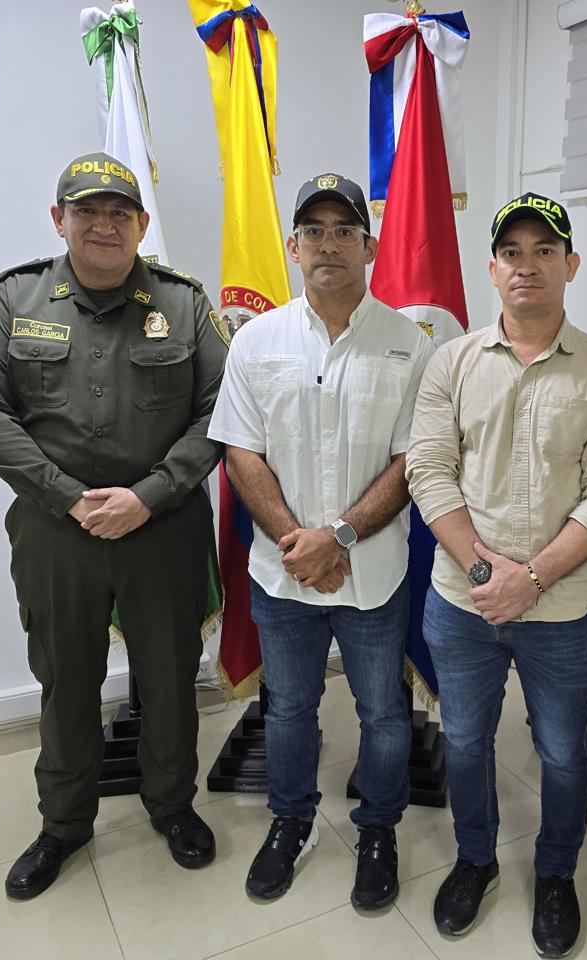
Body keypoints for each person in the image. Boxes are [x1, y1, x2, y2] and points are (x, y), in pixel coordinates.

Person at [0, 152, 228, 900]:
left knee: (170, 678)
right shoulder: (17, 298)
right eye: (87, 211)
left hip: (163, 525)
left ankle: (173, 806)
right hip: (56, 530)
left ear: (141, 224)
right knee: (65, 677)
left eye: (120, 212)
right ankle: (64, 824)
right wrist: (70, 497)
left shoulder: (183, 303)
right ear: (60, 220)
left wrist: (149, 494)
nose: (104, 224)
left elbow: (222, 410)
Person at [406, 193, 587, 958]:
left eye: (546, 250)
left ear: (570, 265)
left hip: (563, 608)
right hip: (462, 601)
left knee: (564, 751)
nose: (528, 264)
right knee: (467, 743)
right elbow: (430, 474)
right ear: (493, 268)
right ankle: (475, 860)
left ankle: (556, 874)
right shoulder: (452, 362)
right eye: (513, 251)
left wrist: (530, 578)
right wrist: (484, 568)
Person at [208, 173, 435, 909]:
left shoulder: (410, 344)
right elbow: (240, 450)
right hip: (282, 577)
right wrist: (294, 542)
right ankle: (291, 822)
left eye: (344, 230)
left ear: (369, 246)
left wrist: (335, 537)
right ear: (292, 245)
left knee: (382, 713)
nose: (328, 243)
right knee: (290, 708)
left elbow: (412, 460)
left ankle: (378, 828)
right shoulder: (256, 342)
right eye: (314, 230)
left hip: (374, 573)